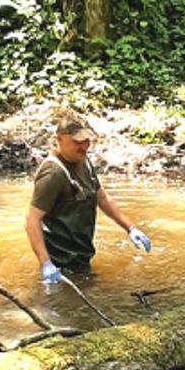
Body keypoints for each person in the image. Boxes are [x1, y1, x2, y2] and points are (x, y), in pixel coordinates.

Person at [26, 111, 152, 284]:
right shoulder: (53, 173)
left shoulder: (84, 161)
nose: (84, 146)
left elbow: (103, 199)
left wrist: (131, 228)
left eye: (87, 140)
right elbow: (32, 220)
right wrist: (46, 263)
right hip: (60, 263)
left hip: (81, 257)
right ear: (60, 139)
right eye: (78, 141)